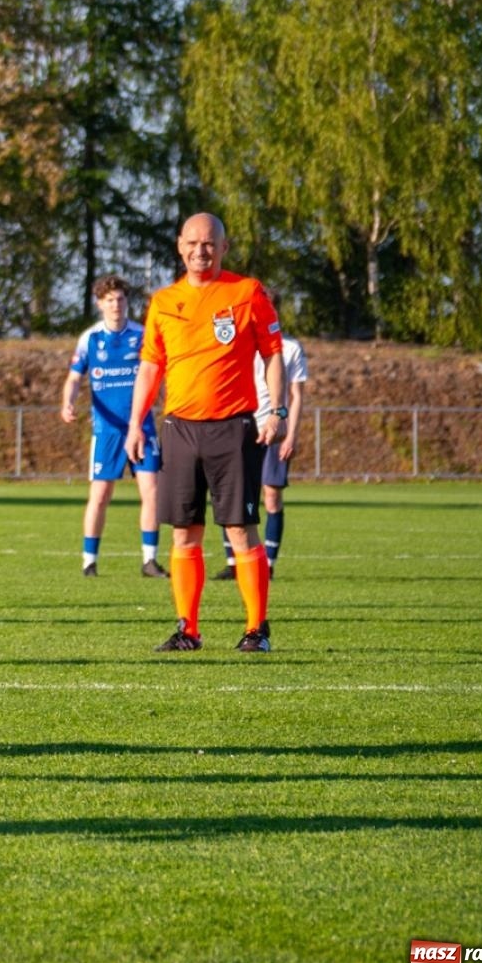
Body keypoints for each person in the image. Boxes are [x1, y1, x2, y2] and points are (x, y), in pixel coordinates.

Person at [126, 212, 284, 654]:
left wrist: (278, 411)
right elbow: (151, 366)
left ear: (224, 247)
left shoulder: (246, 292)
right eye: (193, 243)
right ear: (180, 246)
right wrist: (136, 423)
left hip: (234, 427)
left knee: (239, 529)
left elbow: (273, 353)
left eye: (210, 243)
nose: (201, 251)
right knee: (183, 532)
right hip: (180, 429)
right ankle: (188, 630)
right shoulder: (162, 301)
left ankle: (257, 630)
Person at [59, 274, 167, 579]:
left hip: (143, 428)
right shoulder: (90, 339)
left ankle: (149, 560)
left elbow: (158, 373)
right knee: (100, 495)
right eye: (110, 300)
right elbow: (74, 378)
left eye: (120, 299)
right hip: (107, 431)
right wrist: (68, 402)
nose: (116, 305)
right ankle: (89, 561)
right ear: (100, 304)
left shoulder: (142, 335)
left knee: (152, 491)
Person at [218, 307, 308, 579]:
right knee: (233, 496)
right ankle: (233, 563)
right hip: (240, 427)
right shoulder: (239, 341)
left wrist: (290, 433)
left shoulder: (290, 348)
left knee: (271, 496)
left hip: (274, 431)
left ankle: (267, 564)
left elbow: (296, 395)